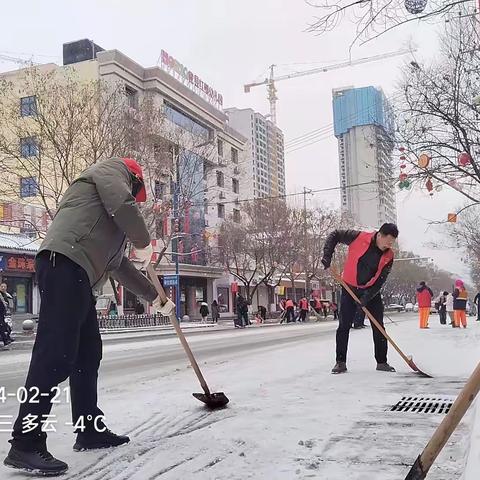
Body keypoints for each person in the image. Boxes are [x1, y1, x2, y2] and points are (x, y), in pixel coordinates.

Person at [4, 158, 175, 476]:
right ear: (134, 179)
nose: (133, 200)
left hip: (78, 273)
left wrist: (156, 299)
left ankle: (89, 429)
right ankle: (25, 442)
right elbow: (123, 203)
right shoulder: (111, 171)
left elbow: (119, 266)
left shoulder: (108, 225)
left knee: (87, 355)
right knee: (54, 356)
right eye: (136, 195)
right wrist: (144, 241)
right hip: (64, 262)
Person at [322, 223, 398, 374]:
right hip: (349, 287)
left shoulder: (389, 255)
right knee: (344, 325)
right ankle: (340, 362)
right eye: (388, 241)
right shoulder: (358, 237)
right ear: (380, 235)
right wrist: (327, 255)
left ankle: (382, 362)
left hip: (371, 291)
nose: (390, 245)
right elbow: (335, 234)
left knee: (378, 326)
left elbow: (381, 280)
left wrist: (366, 297)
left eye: (393, 242)